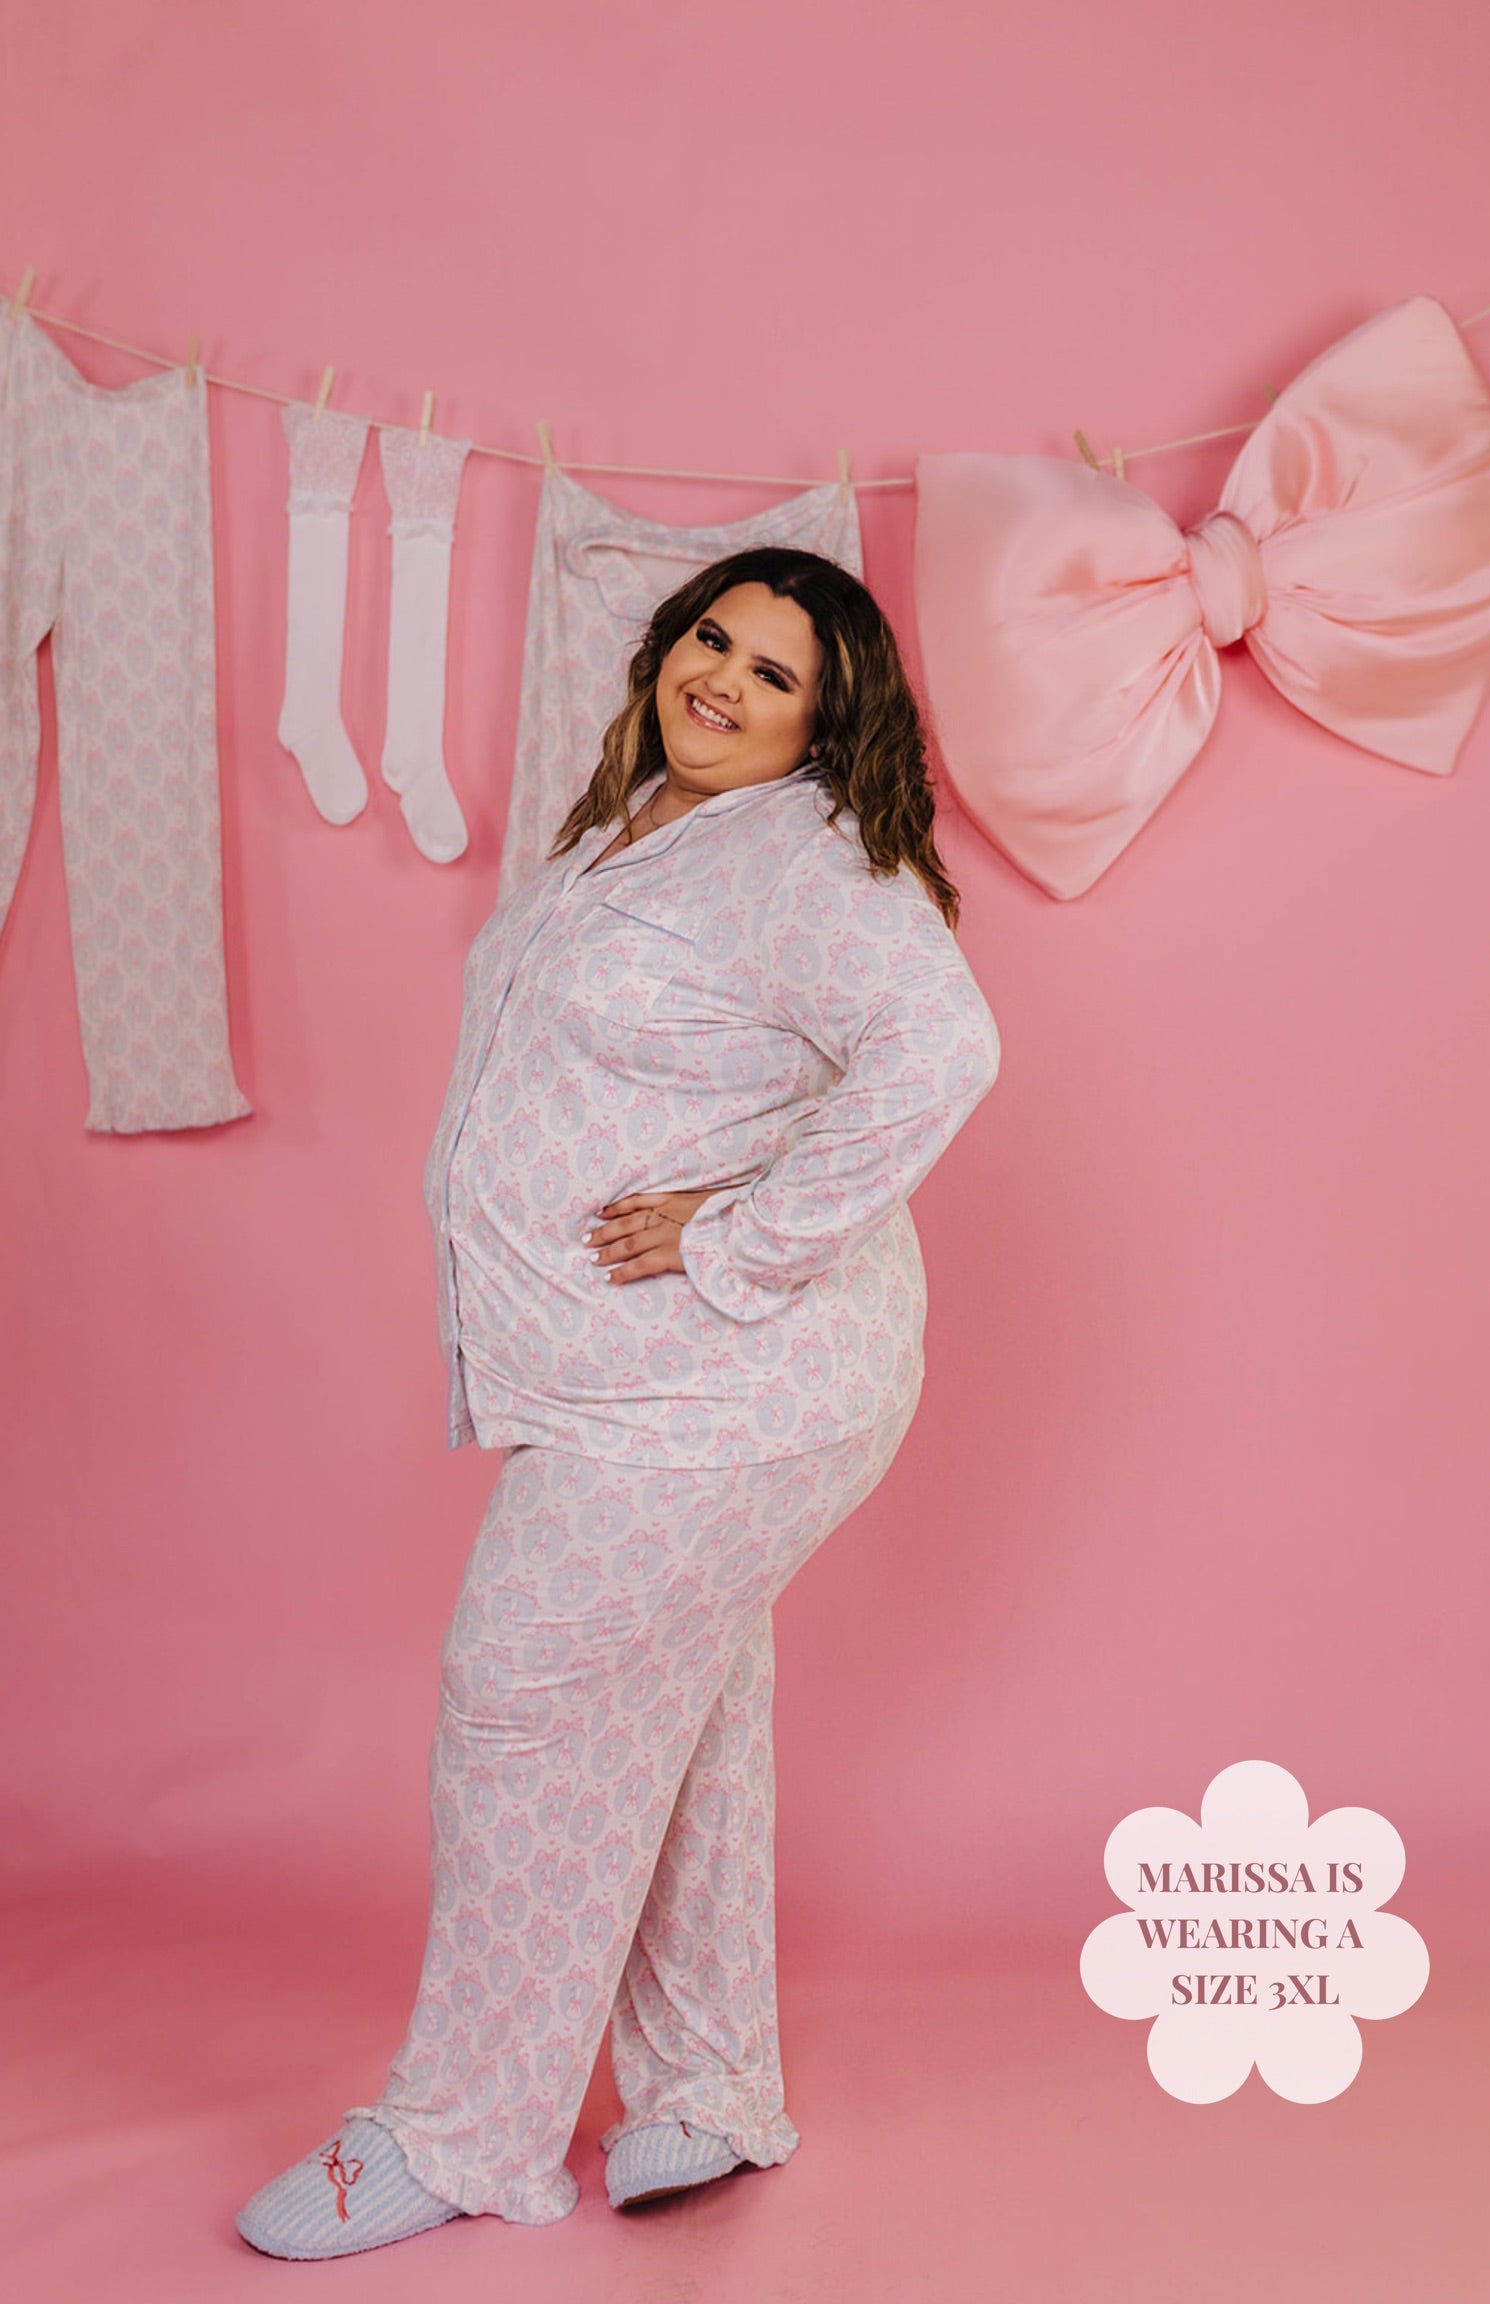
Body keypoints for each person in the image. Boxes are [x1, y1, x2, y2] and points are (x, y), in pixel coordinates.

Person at [236, 547, 1000, 2259]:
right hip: (645, 1387)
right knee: (686, 1705)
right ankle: (709, 2089)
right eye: (710, 639)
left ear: (831, 721)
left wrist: (741, 1238)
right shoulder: (648, 820)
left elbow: (944, 1050)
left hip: (741, 1388)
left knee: (521, 1692)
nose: (720, 678)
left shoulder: (805, 857)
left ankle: (461, 2130)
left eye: (774, 672)